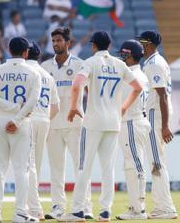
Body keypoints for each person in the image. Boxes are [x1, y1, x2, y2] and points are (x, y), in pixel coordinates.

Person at [59, 31, 143, 222]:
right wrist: (122, 107)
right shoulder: (119, 64)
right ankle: (105, 211)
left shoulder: (90, 62)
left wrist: (73, 107)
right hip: (113, 122)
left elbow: (76, 84)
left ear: (94, 46)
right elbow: (137, 88)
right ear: (109, 46)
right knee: (108, 169)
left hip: (93, 122)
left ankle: (78, 211)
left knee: (84, 166)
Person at [0, 37, 41, 223]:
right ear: (26, 53)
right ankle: (20, 214)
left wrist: (8, 108)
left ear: (9, 50)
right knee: (21, 170)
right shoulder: (33, 72)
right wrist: (16, 115)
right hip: (22, 121)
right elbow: (32, 102)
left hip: (0, 119)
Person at [41, 27, 93, 220]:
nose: (55, 44)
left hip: (75, 125)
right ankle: (57, 207)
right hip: (53, 125)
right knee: (56, 169)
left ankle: (85, 207)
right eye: (53, 41)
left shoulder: (81, 65)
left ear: (68, 43)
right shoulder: (45, 67)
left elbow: (91, 92)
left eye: (59, 41)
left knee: (81, 167)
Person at [139, 30, 178, 219]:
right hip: (155, 114)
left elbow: (162, 95)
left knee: (156, 162)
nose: (140, 46)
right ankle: (162, 205)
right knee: (157, 161)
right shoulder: (153, 62)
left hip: (155, 115)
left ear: (149, 44)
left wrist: (164, 126)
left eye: (142, 43)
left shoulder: (154, 64)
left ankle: (166, 207)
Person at [113, 40, 150, 220]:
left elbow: (124, 102)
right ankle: (136, 207)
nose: (121, 56)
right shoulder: (138, 74)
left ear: (131, 55)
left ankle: (138, 210)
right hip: (135, 122)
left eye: (124, 54)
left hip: (131, 122)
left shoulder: (132, 76)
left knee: (134, 166)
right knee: (132, 165)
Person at [26, 41, 60, 221]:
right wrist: (45, 118)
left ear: (25, 54)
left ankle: (34, 208)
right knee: (35, 166)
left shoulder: (26, 73)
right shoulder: (48, 75)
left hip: (28, 120)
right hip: (44, 120)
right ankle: (31, 205)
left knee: (27, 166)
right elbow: (56, 107)